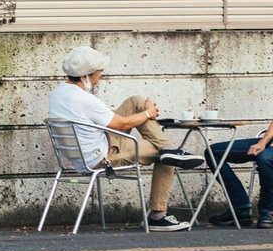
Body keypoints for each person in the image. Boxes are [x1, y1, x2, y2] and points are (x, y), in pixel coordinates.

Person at [48, 45, 205, 231]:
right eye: (100, 71)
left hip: (92, 149)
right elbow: (121, 125)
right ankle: (158, 216)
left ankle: (169, 147)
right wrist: (148, 113)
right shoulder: (85, 100)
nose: (102, 75)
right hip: (102, 157)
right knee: (165, 156)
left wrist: (144, 111)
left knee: (136, 101)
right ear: (87, 75)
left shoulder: (59, 93)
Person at [204, 119, 273, 228]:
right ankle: (240, 207)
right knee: (213, 152)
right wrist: (262, 142)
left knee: (265, 158)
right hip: (269, 143)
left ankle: (268, 211)